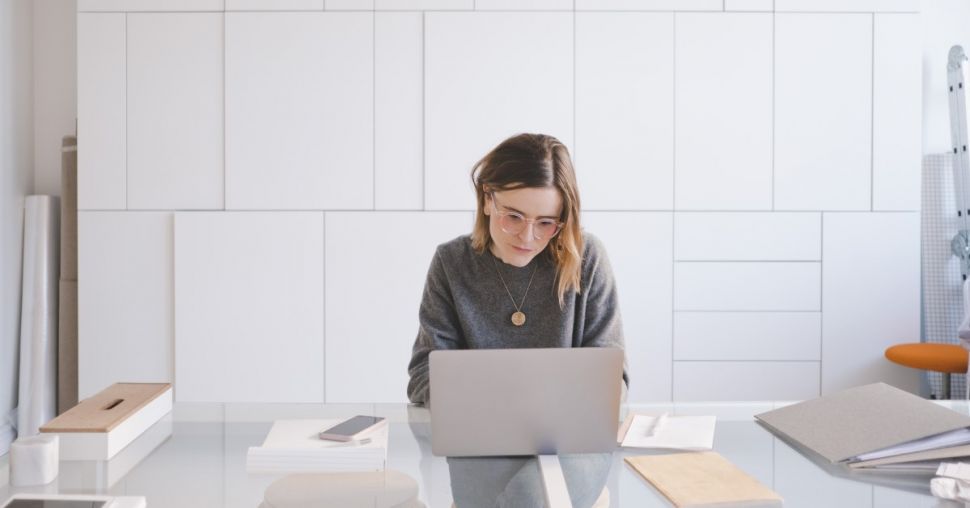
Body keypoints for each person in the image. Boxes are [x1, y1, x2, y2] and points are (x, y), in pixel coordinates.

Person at [405, 133, 626, 508]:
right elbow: (424, 376)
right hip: (481, 444)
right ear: (487, 199)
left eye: (546, 223)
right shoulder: (452, 263)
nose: (527, 236)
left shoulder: (586, 259)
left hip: (574, 447)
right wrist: (496, 409)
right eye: (514, 217)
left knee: (529, 496)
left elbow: (609, 381)